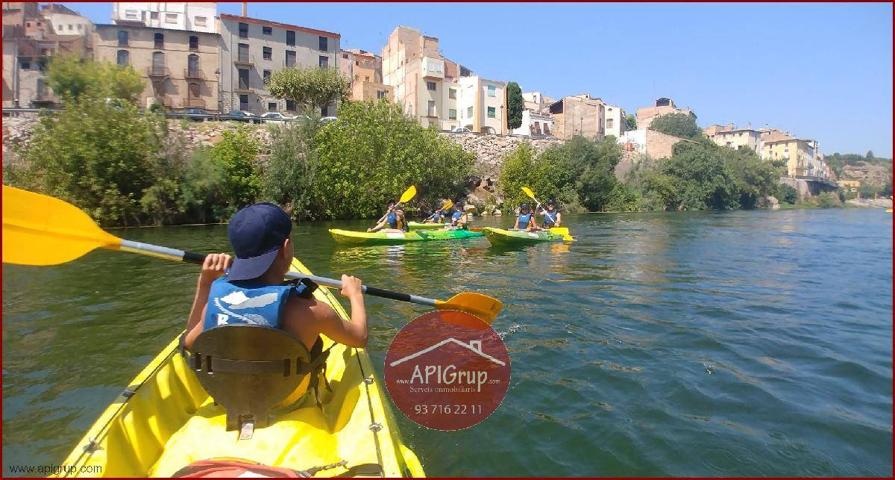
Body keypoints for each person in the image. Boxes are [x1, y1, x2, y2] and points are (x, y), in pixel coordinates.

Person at [183, 203, 368, 353]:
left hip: (228, 398)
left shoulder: (214, 307)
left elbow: (188, 343)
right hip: (293, 398)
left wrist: (205, 283)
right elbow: (360, 338)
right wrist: (355, 295)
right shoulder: (313, 312)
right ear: (286, 248)